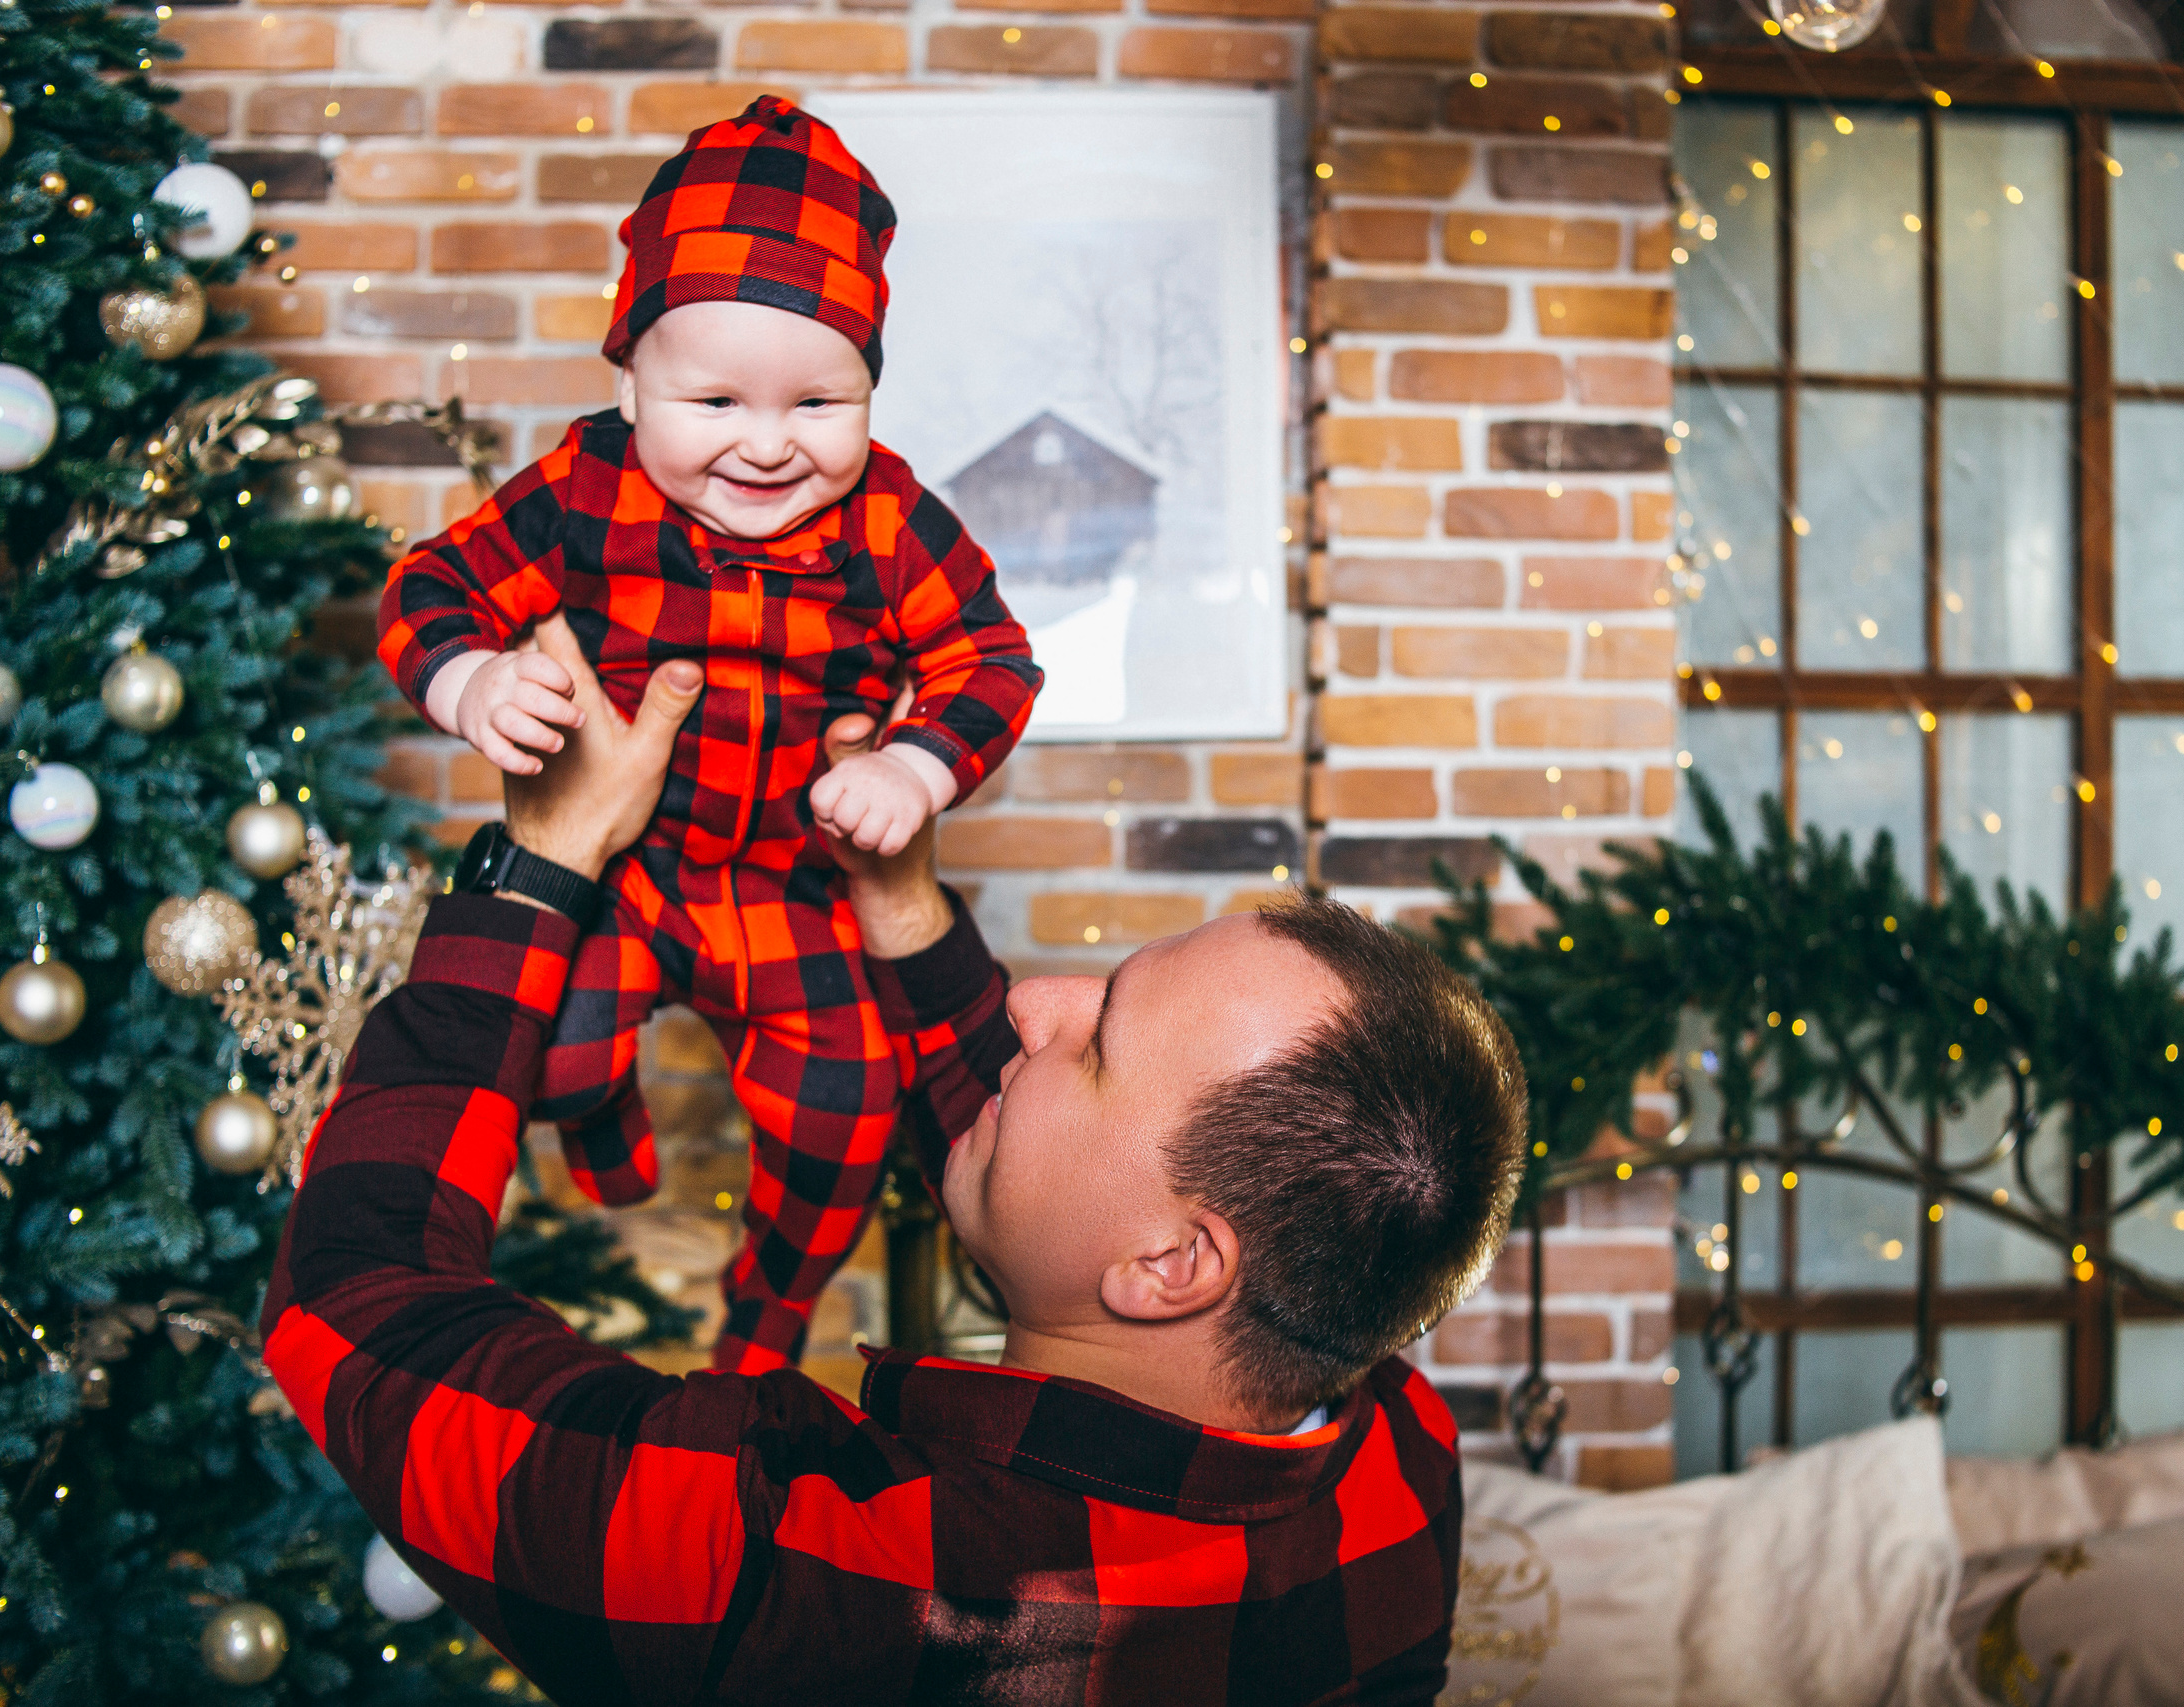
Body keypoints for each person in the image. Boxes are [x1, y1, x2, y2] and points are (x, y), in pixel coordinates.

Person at [261, 618, 1529, 1702]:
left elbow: (356, 1301)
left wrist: (540, 865)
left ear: (1173, 1263)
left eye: (1096, 1042)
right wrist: (903, 908)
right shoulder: (1394, 1461)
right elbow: (1055, 1184)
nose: (1038, 1002)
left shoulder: (804, 1566)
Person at [375, 95, 1043, 1374]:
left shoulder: (891, 521)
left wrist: (916, 761)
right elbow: (429, 588)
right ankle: (602, 1128)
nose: (768, 445)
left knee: (847, 1110)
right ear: (631, 377)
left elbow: (989, 656)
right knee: (554, 1043)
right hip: (634, 876)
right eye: (718, 399)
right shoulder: (585, 487)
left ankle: (770, 1315)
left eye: (817, 403)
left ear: (866, 392)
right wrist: (471, 683)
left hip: (797, 892)